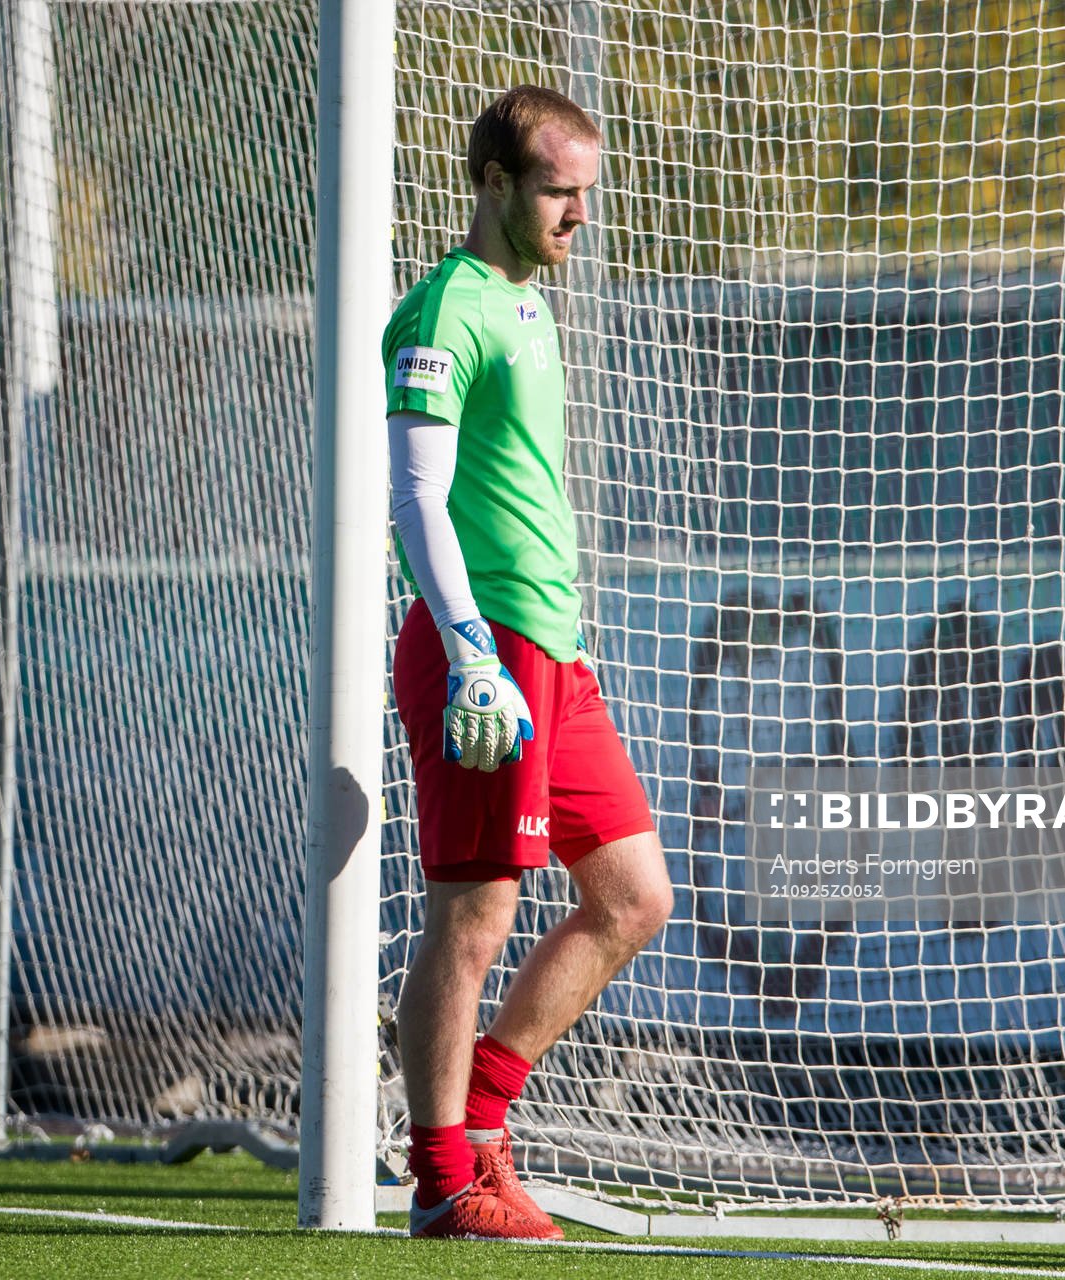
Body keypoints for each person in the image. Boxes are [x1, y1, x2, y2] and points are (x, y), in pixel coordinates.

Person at [384, 85, 674, 1241]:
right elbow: (417, 498)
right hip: (485, 647)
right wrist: (467, 654)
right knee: (475, 914)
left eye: (586, 194)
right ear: (495, 183)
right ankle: (444, 1180)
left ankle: (485, 1117)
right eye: (560, 191)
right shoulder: (442, 311)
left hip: (556, 649)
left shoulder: (531, 304)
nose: (579, 216)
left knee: (635, 894)